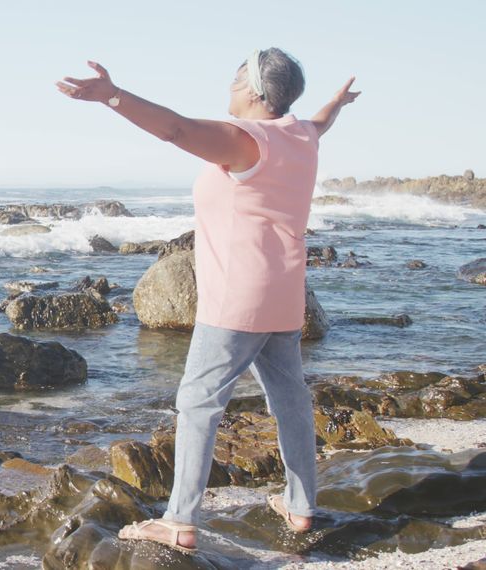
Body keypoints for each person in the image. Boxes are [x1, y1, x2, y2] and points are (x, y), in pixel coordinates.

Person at [56, 48, 360, 553]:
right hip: (285, 295)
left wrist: (111, 95)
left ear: (257, 93)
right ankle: (301, 506)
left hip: (238, 297)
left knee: (198, 402)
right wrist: (337, 102)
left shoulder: (246, 141)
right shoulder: (301, 135)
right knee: (290, 400)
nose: (230, 85)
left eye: (238, 77)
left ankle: (179, 519)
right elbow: (322, 122)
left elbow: (175, 130)